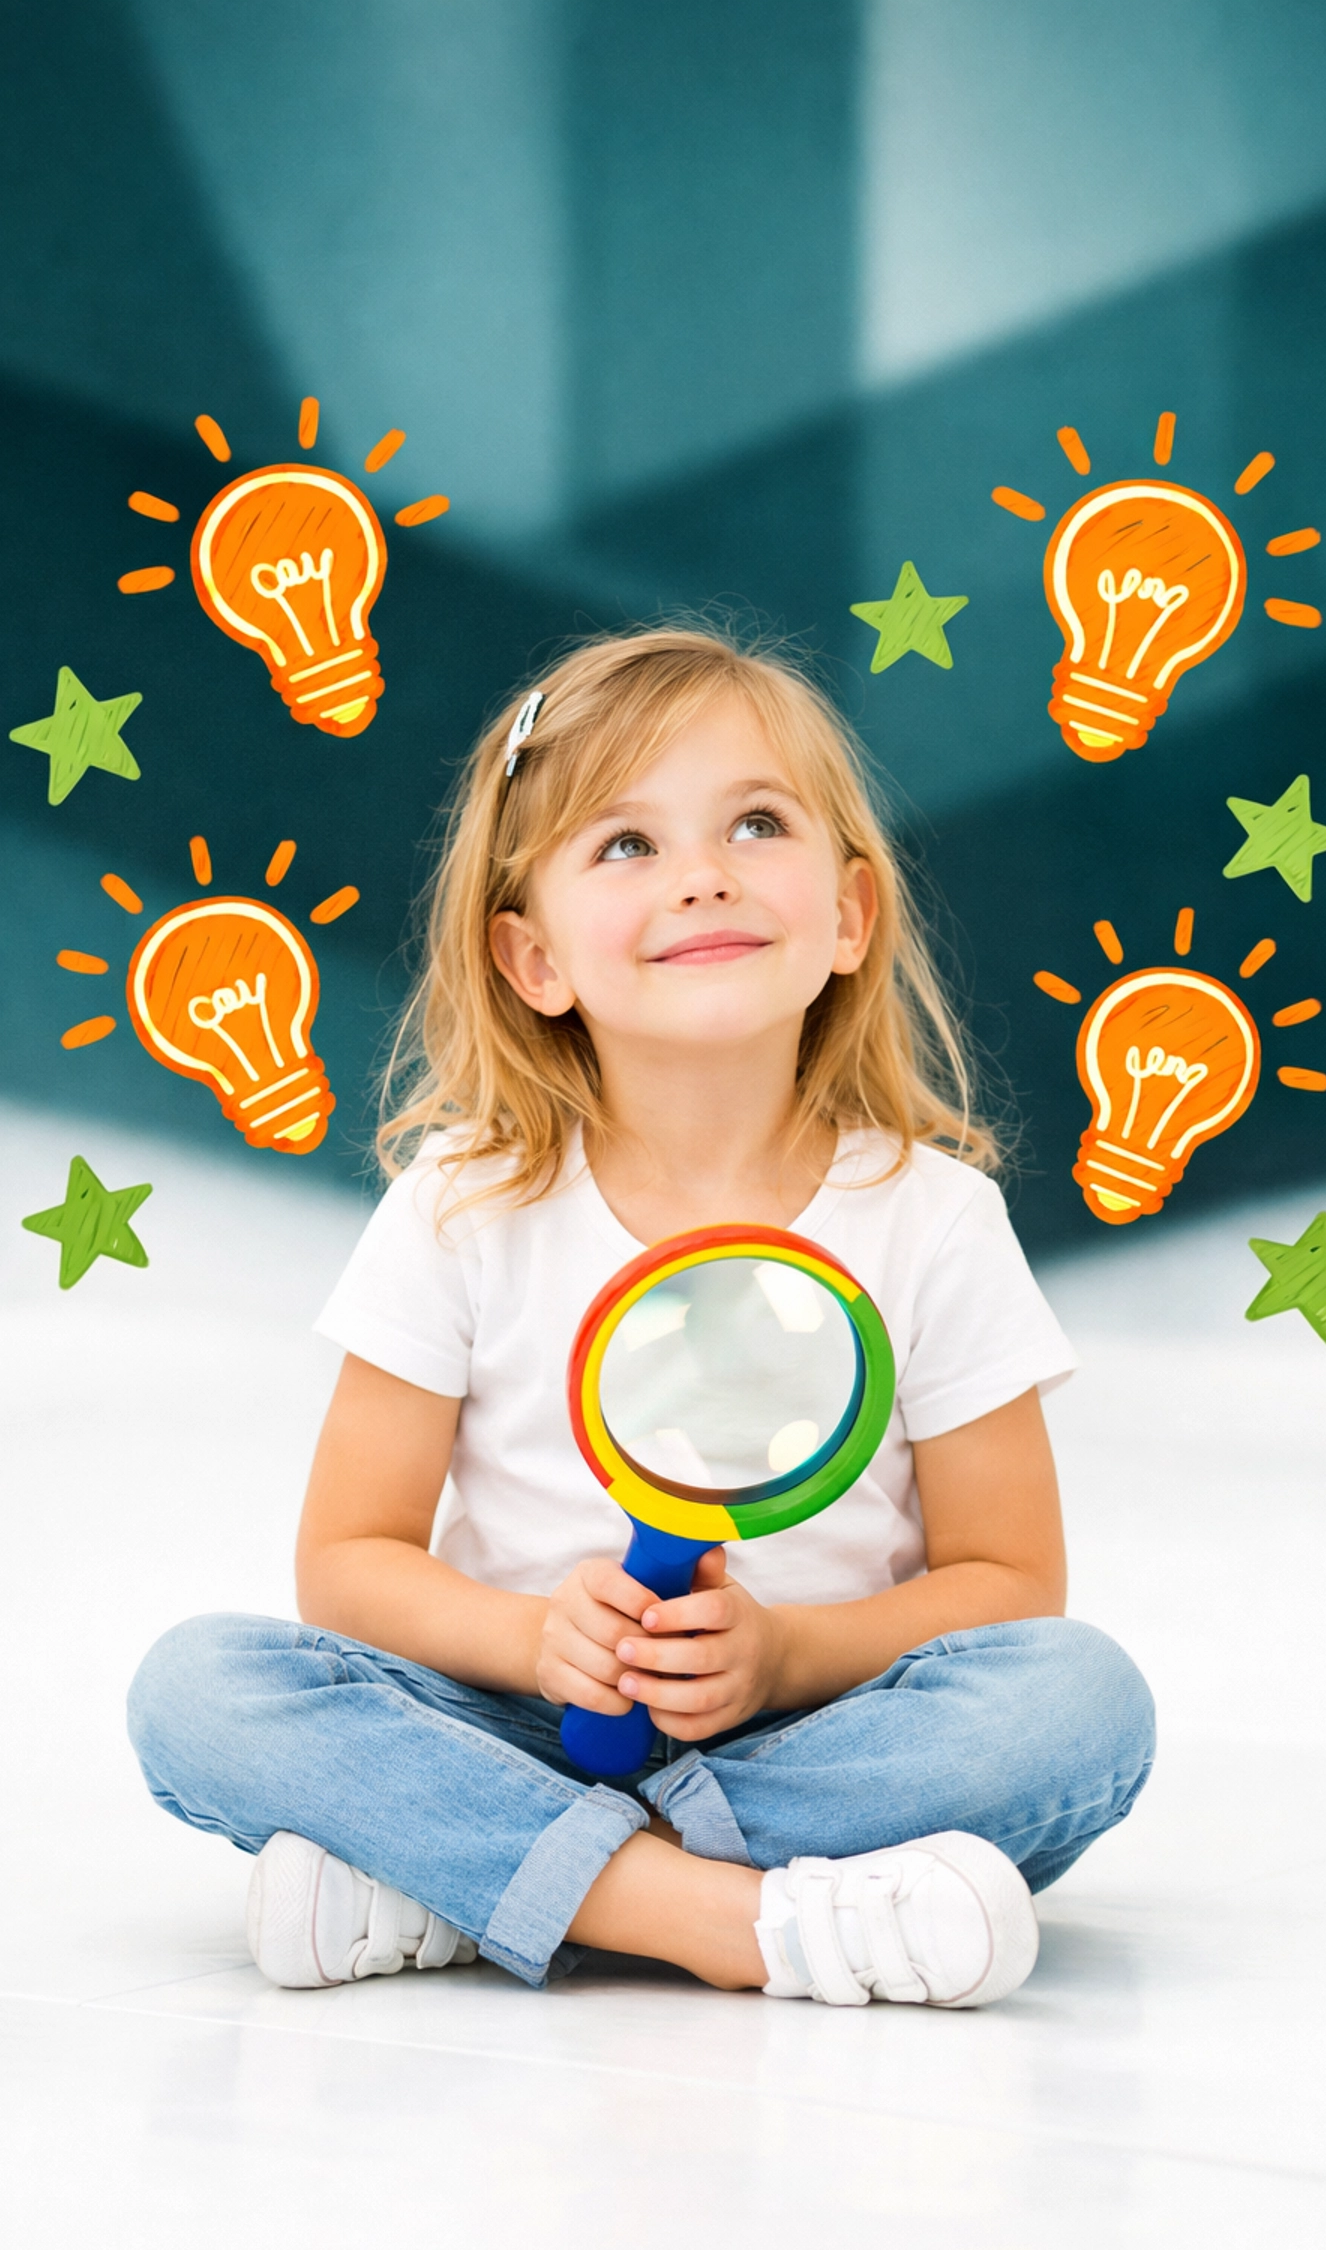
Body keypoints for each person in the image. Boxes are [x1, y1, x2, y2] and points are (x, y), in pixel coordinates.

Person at [128, 627, 1154, 2010]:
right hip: (514, 1725)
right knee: (198, 1689)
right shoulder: (461, 1207)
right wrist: (531, 1641)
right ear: (531, 957)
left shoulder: (933, 1219)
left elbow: (1011, 1583)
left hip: (815, 1735)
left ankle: (471, 1880)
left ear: (851, 916)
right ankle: (730, 1917)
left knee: (1081, 1705)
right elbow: (349, 1563)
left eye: (757, 823)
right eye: (626, 844)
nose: (704, 874)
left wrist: (785, 1656)